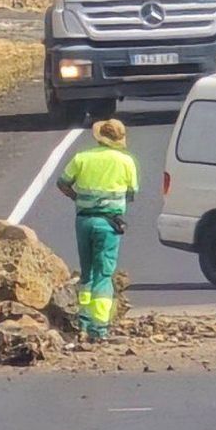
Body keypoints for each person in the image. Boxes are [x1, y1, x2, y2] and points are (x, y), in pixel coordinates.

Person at [56, 119, 139, 341]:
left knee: (88, 272)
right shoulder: (126, 162)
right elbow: (132, 193)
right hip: (108, 223)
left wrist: (79, 198)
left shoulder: (82, 158)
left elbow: (62, 183)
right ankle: (98, 327)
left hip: (84, 220)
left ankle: (82, 322)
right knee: (104, 274)